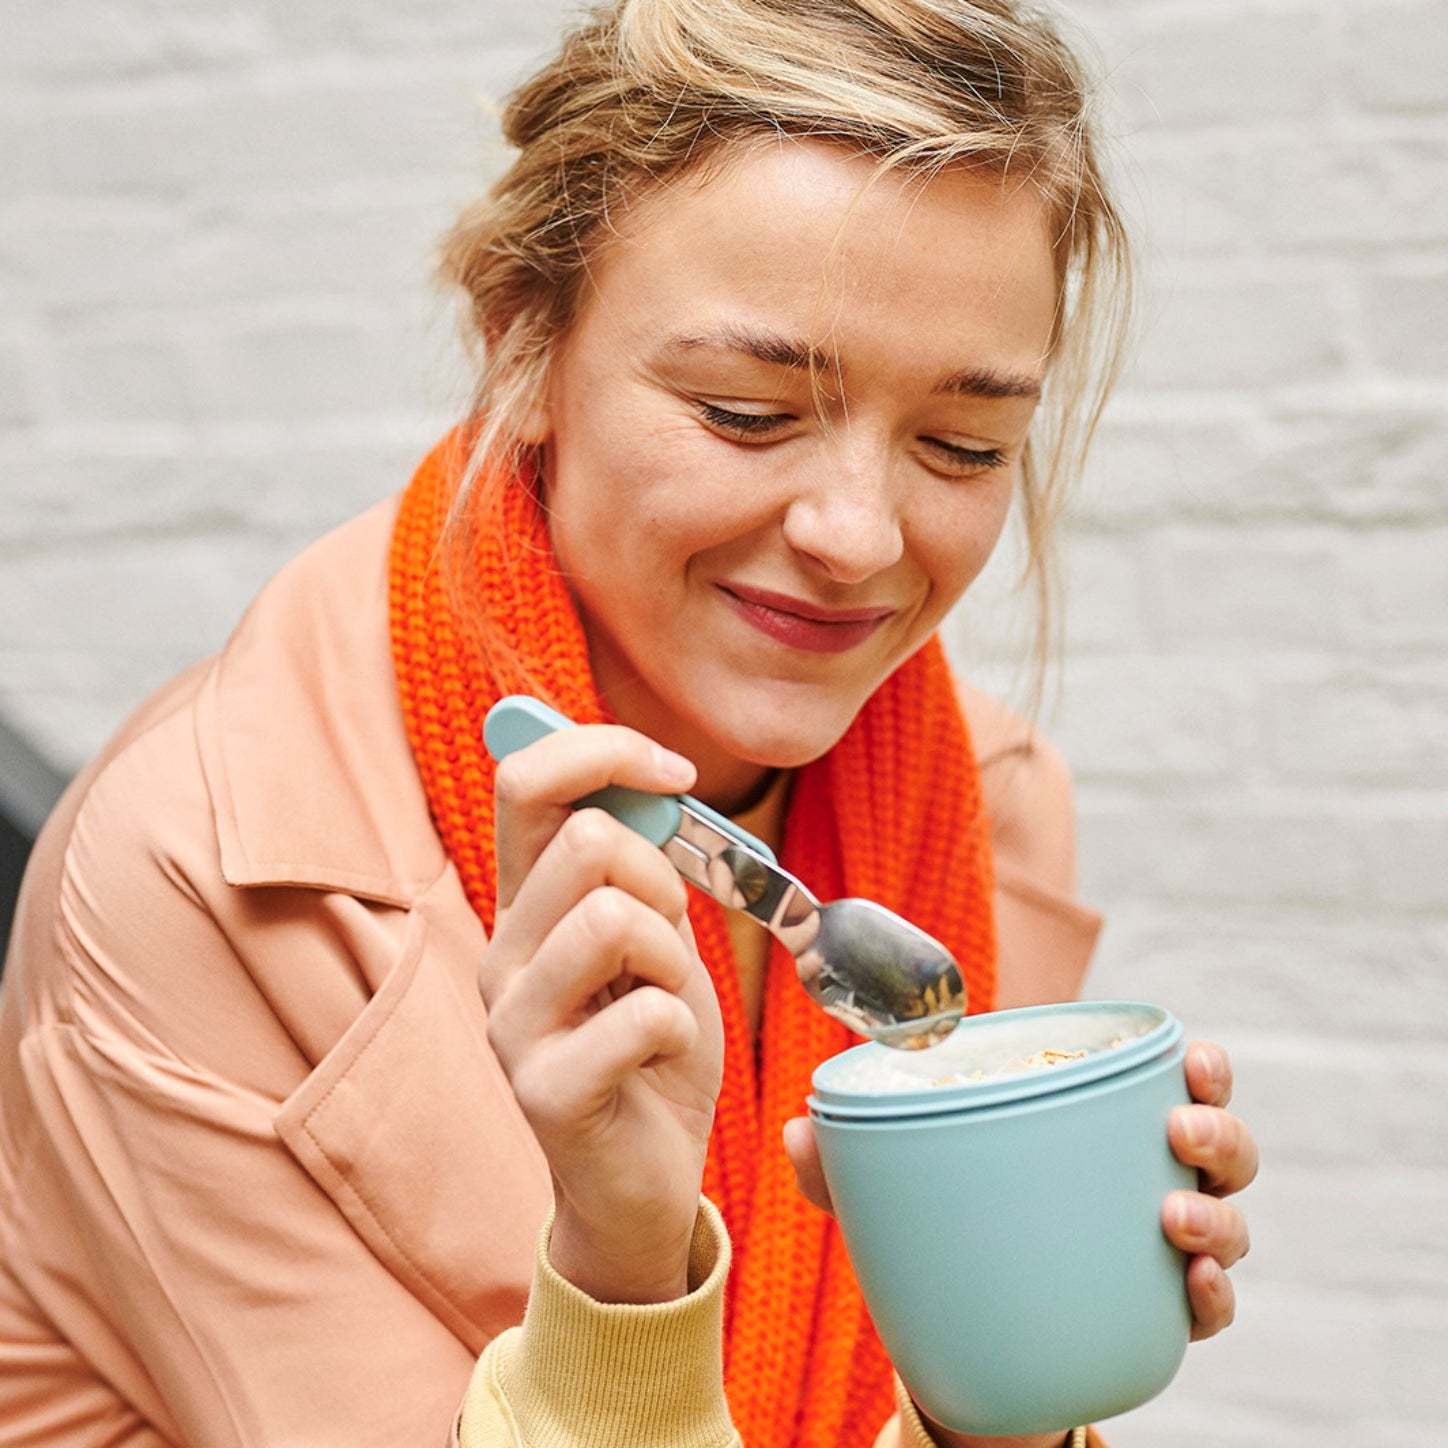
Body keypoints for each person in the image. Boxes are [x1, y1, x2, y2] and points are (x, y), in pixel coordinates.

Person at [0, 1, 1258, 1445]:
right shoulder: (198, 872)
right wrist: (619, 1269)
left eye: (962, 446)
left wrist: (1016, 1370)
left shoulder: (979, 810)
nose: (856, 535)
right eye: (743, 411)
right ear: (523, 348)